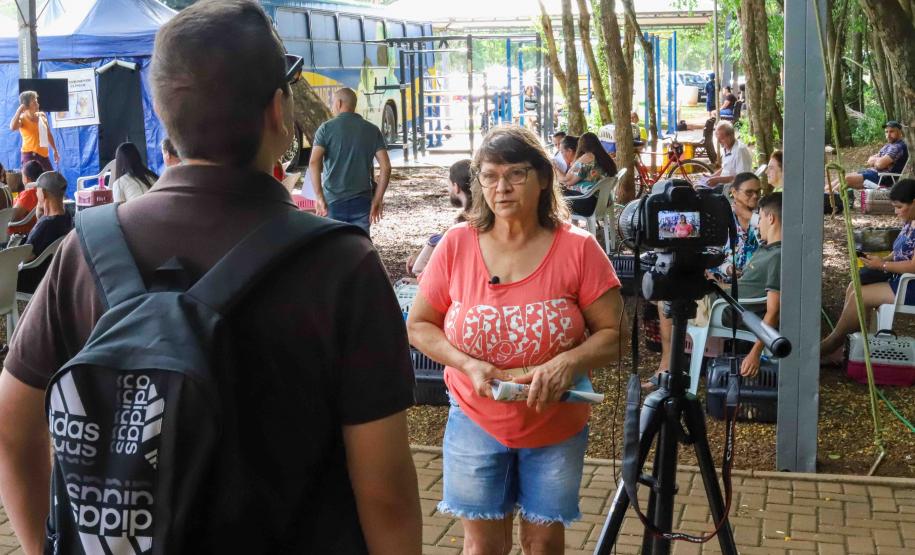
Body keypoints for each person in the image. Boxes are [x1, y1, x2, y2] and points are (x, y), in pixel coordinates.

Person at [0, 2, 422, 554]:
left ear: (162, 110)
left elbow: (12, 430)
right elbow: (384, 490)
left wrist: (39, 548)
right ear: (278, 110)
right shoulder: (341, 265)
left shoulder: (87, 247)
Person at [407, 126, 625, 555]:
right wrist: (467, 364)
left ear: (544, 178)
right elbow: (419, 326)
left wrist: (568, 364)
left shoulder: (578, 249)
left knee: (543, 546)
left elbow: (614, 336)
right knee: (482, 547)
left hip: (554, 423)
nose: (501, 187)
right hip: (474, 419)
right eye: (489, 176)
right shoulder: (456, 245)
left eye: (516, 174)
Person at [653, 192, 783, 384]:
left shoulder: (777, 256)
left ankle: (666, 366)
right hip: (723, 297)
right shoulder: (767, 249)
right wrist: (715, 283)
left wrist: (755, 353)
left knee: (665, 299)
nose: (759, 222)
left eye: (761, 217)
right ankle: (673, 363)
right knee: (663, 287)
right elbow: (748, 287)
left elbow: (773, 312)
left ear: (770, 218)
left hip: (725, 310)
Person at [821, 179, 915, 361]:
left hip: (909, 284)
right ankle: (848, 345)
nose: (896, 212)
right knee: (853, 286)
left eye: (899, 207)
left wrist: (883, 266)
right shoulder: (910, 221)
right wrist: (882, 260)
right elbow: (900, 253)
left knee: (860, 295)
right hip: (900, 278)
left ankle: (833, 343)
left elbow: (913, 265)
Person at [309, 87, 392, 234]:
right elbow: (386, 167)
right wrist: (378, 199)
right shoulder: (372, 130)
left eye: (333, 102)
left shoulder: (326, 129)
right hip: (362, 201)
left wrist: (319, 197)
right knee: (360, 246)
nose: (332, 106)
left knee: (336, 246)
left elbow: (314, 162)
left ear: (339, 103)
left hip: (333, 201)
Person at [407, 159, 473, 276]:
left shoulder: (464, 226)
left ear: (456, 187)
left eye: (449, 185)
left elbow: (419, 268)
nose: (448, 191)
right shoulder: (475, 216)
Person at [16, 171, 73, 294]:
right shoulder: (66, 217)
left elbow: (26, 257)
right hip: (49, 275)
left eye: (37, 190)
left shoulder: (46, 225)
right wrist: (41, 211)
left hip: (28, 278)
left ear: (44, 193)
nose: (36, 192)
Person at [830, 121, 908, 191]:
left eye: (891, 132)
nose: (888, 135)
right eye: (886, 132)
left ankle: (829, 199)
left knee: (847, 179)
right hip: (872, 173)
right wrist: (878, 160)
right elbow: (870, 160)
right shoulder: (888, 146)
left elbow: (880, 165)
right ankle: (826, 193)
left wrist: (877, 161)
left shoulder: (898, 147)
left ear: (900, 132)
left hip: (882, 178)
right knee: (842, 178)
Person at [560, 131, 617, 216]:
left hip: (590, 204)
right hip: (605, 201)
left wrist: (556, 169)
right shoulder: (605, 157)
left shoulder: (586, 158)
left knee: (557, 192)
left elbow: (568, 181)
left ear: (581, 145)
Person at [9, 90, 60, 171]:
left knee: (49, 180)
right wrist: (19, 110)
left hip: (43, 155)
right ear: (26, 106)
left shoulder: (42, 115)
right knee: (31, 181)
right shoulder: (22, 118)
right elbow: (12, 127)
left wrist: (55, 150)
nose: (38, 105)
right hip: (29, 155)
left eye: (37, 102)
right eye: (34, 103)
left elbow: (48, 134)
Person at [704, 121, 753, 188]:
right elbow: (725, 168)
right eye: (717, 139)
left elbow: (742, 178)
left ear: (731, 135)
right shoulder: (727, 148)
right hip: (724, 186)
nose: (719, 142)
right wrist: (712, 176)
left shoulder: (740, 151)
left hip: (733, 190)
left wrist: (718, 180)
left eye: (721, 139)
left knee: (700, 193)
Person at [7, 160, 43, 236]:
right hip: (33, 230)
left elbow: (11, 217)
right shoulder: (43, 191)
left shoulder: (28, 194)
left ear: (27, 178)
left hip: (18, 233)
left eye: (22, 175)